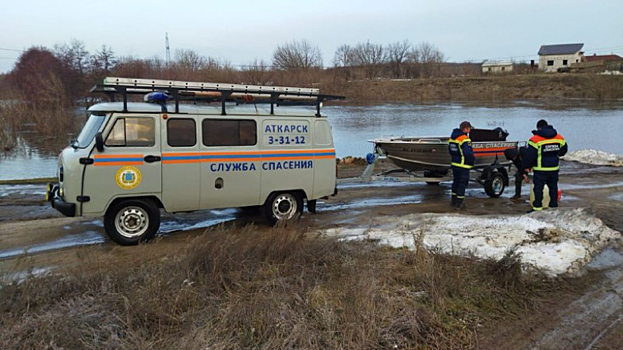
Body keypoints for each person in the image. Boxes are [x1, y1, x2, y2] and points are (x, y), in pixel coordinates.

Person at [522, 119, 567, 212]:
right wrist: (554, 154)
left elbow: (530, 156)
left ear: (538, 128)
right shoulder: (559, 137)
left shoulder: (534, 139)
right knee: (553, 187)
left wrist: (526, 167)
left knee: (538, 189)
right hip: (554, 168)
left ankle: (537, 207)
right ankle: (553, 206)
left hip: (540, 169)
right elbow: (563, 151)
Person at [449, 121, 475, 209]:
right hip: (463, 165)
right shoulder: (465, 139)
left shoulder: (453, 138)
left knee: (455, 182)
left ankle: (453, 201)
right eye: (469, 128)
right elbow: (468, 153)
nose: (470, 130)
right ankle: (459, 203)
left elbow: (450, 150)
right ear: (466, 128)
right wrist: (471, 162)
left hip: (455, 164)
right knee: (462, 183)